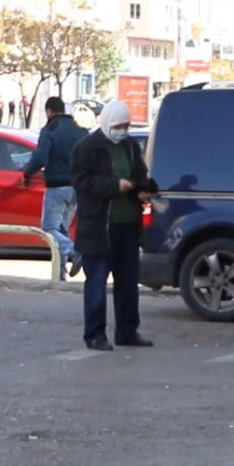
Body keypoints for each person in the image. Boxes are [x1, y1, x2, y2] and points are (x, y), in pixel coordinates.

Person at [71, 101, 154, 351]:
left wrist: (143, 190)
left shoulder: (129, 146)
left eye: (127, 126)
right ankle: (95, 334)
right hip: (99, 227)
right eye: (119, 126)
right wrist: (114, 186)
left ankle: (128, 330)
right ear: (107, 123)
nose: (123, 130)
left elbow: (139, 175)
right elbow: (82, 182)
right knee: (97, 281)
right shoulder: (87, 147)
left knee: (128, 282)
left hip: (128, 224)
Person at [23, 96, 88, 279]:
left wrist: (27, 172)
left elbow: (40, 158)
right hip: (77, 188)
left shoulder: (49, 130)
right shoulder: (80, 131)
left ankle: (75, 252)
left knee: (49, 229)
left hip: (57, 187)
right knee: (61, 232)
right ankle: (60, 275)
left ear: (49, 111)